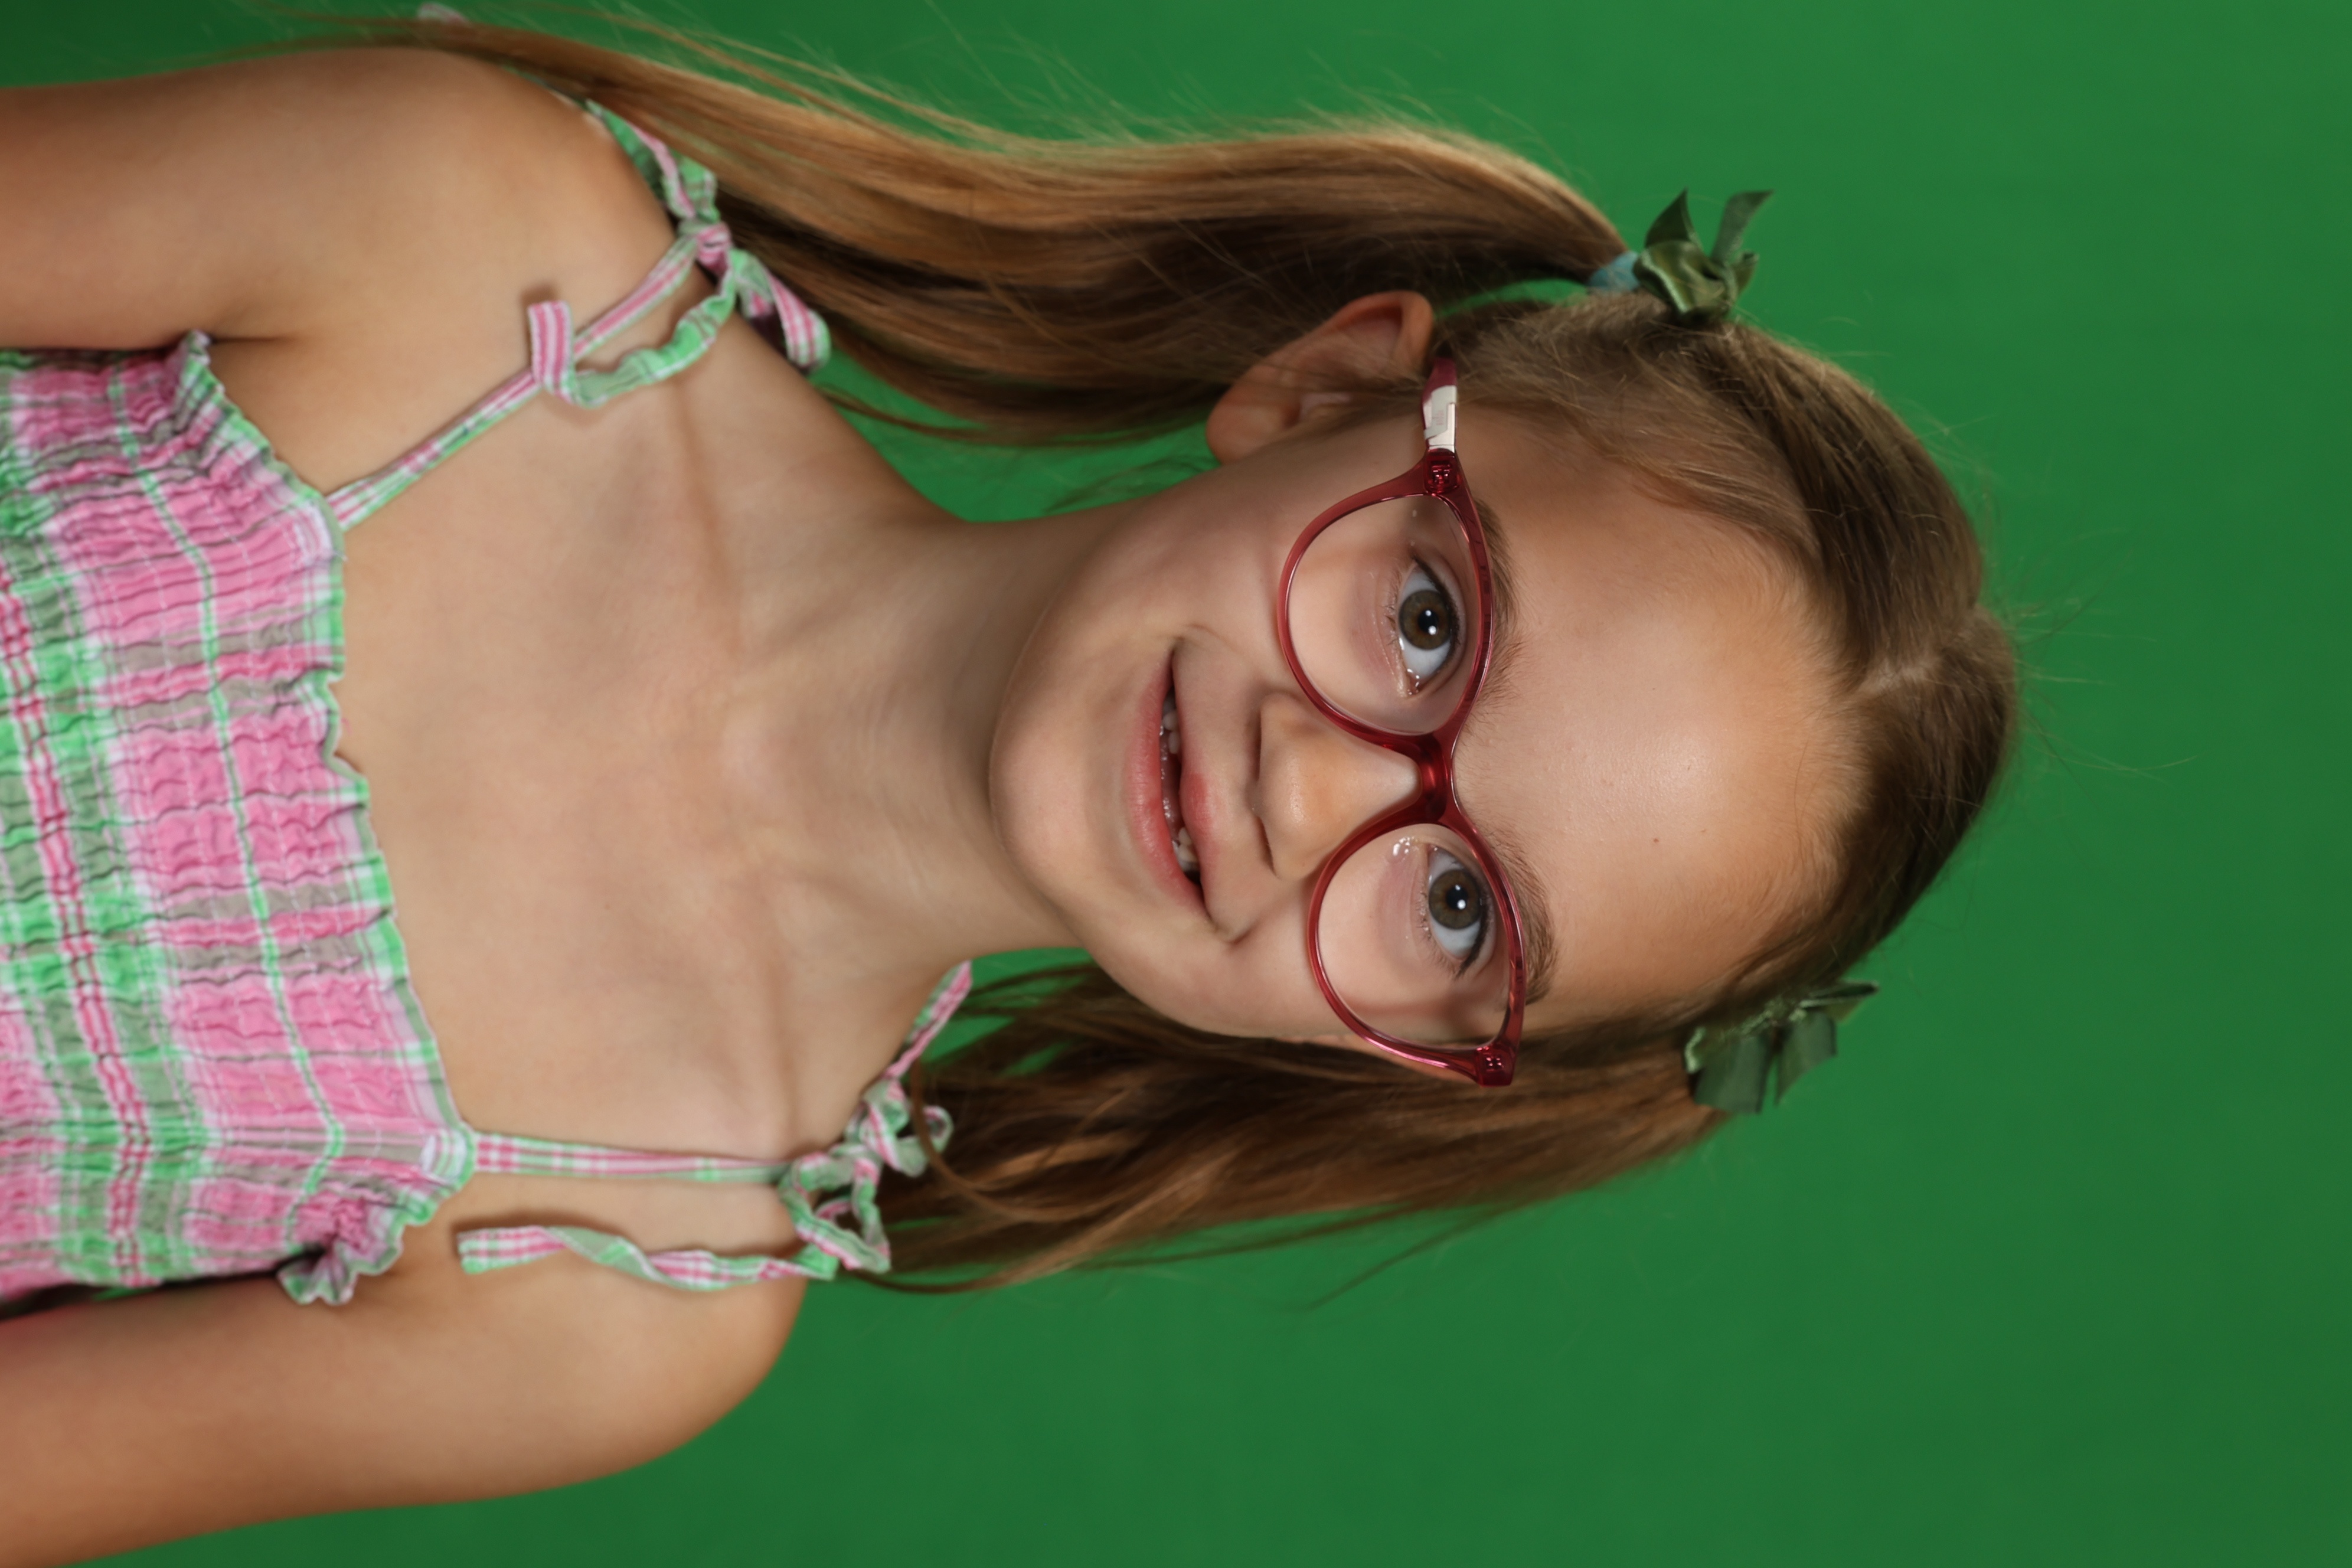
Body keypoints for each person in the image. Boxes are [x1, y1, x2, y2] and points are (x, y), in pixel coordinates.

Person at [0, 11, 2014, 1560]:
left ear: (1403, 1049)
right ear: (1325, 391)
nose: (1321, 792)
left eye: (1459, 904)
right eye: (1428, 621)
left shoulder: (614, 1287)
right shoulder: (466, 251)